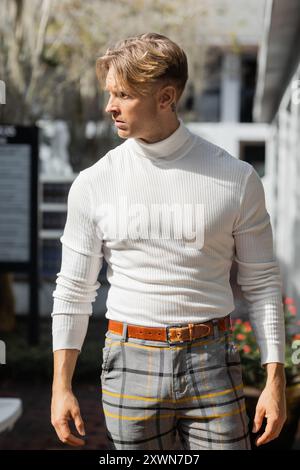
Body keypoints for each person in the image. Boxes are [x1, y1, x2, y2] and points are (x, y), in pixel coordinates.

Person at [50, 32, 287, 450]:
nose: (110, 107)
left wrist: (274, 378)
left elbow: (263, 284)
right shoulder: (94, 183)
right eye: (110, 94)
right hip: (128, 359)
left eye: (123, 95)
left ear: (166, 97)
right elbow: (73, 288)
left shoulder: (235, 178)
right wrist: (61, 385)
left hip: (212, 359)